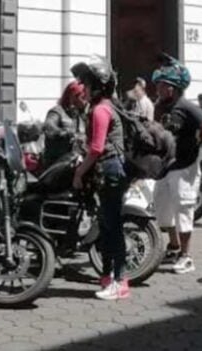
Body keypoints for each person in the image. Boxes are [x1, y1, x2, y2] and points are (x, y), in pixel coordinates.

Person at [70, 61, 130, 301]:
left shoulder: (100, 110)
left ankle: (120, 281)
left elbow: (96, 148)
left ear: (97, 87)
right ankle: (107, 277)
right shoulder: (102, 107)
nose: (82, 88)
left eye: (86, 84)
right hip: (107, 171)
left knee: (112, 226)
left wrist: (79, 172)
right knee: (105, 226)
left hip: (110, 170)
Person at [152, 57, 202, 275]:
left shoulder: (187, 107)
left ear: (172, 88)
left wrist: (197, 144)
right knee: (162, 209)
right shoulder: (159, 106)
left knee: (183, 209)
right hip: (164, 166)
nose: (158, 88)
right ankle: (174, 246)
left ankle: (186, 256)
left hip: (184, 166)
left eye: (161, 85)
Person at [42, 80, 86, 167]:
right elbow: (48, 127)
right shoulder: (57, 111)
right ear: (73, 97)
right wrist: (66, 133)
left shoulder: (82, 115)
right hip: (56, 163)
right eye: (83, 97)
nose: (86, 100)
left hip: (75, 162)